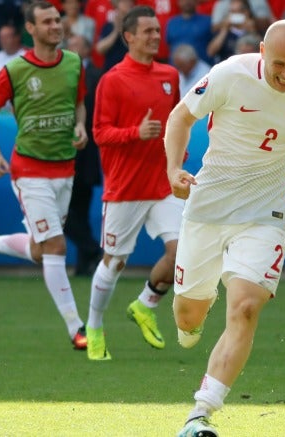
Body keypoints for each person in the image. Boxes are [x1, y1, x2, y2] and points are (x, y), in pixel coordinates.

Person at [167, 19, 285, 436]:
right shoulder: (229, 74)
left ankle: (200, 413)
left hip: (267, 211)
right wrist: (173, 167)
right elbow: (179, 117)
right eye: (278, 63)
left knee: (244, 307)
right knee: (189, 317)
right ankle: (192, 316)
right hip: (208, 207)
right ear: (262, 50)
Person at [0, 0, 90, 351]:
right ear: (31, 29)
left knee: (42, 251)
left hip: (65, 166)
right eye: (47, 22)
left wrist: (80, 125)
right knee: (56, 246)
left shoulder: (73, 63)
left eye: (58, 20)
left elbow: (79, 102)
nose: (56, 26)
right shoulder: (14, 70)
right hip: (29, 169)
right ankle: (76, 328)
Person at [85, 5, 181, 360]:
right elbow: (99, 133)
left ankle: (145, 305)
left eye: (158, 31)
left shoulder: (169, 74)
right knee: (114, 262)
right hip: (125, 188)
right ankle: (94, 327)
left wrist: (177, 155)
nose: (156, 36)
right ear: (128, 37)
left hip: (162, 184)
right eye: (148, 32)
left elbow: (175, 122)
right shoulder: (113, 79)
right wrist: (135, 133)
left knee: (183, 252)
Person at [65, 34, 104, 277]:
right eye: (69, 46)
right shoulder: (63, 73)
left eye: (77, 45)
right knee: (68, 214)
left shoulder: (98, 76)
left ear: (88, 50)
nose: (72, 49)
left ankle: (85, 261)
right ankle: (90, 253)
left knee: (77, 210)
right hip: (66, 153)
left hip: (87, 154)